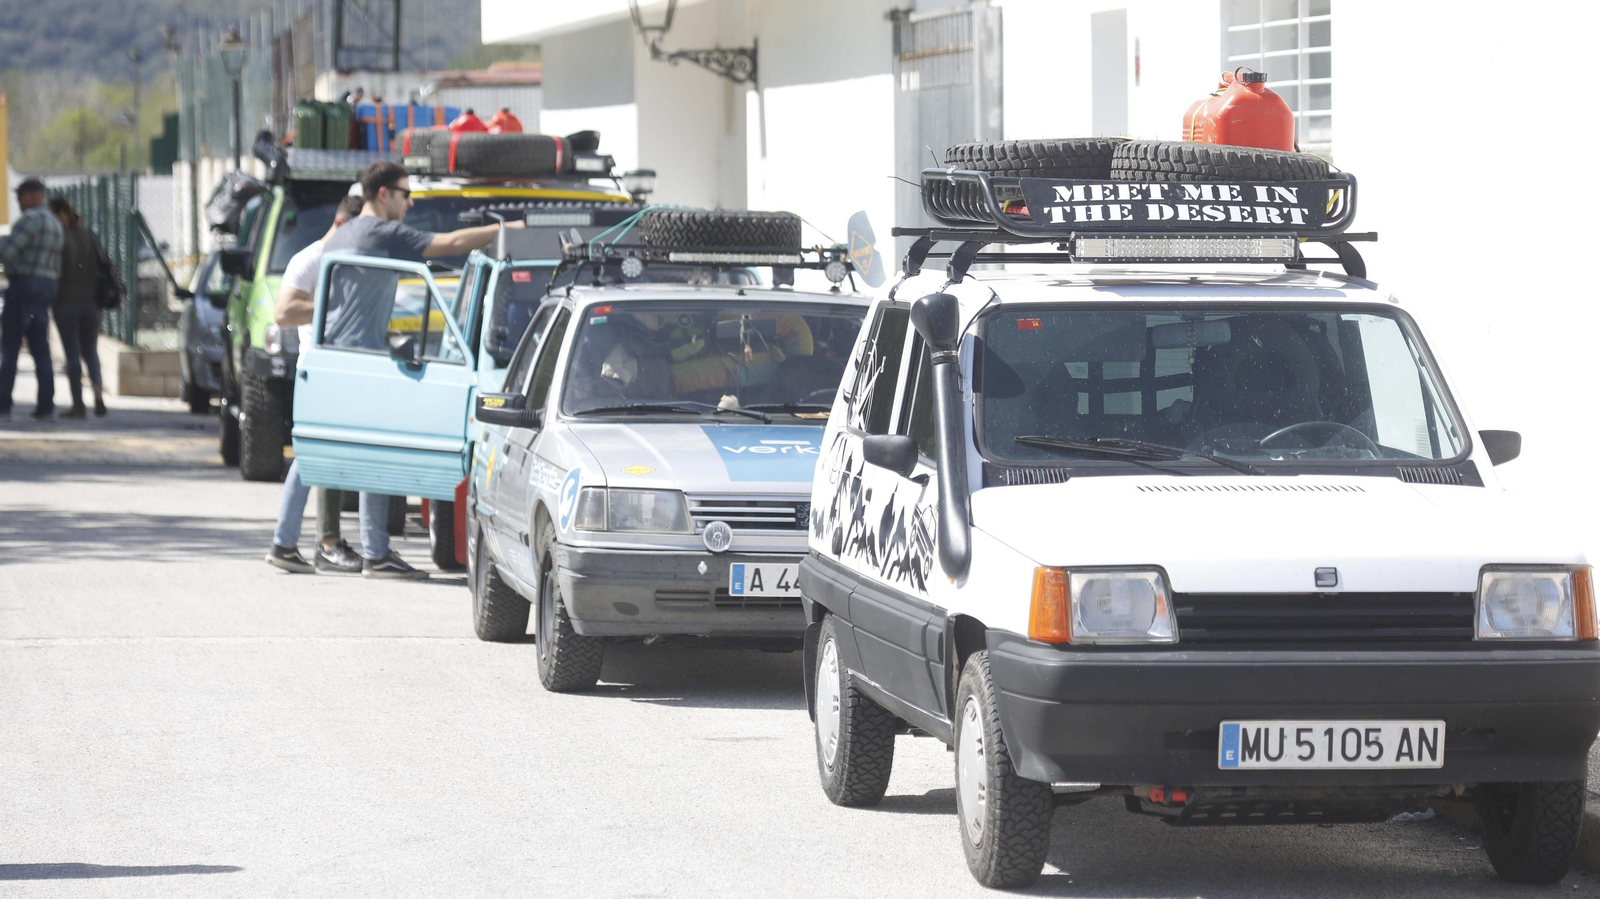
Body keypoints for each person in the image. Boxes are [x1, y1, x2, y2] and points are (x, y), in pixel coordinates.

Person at [309, 162, 515, 578]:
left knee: (326, 453)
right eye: (406, 194)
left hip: (334, 354)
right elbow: (451, 242)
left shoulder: (345, 233)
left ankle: (319, 545)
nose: (411, 203)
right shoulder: (382, 232)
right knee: (359, 455)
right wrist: (507, 230)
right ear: (383, 194)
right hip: (359, 362)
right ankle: (367, 553)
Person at [265, 195, 415, 578]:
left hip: (350, 371)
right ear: (341, 224)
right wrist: (339, 309)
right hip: (323, 370)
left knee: (336, 455)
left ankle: (294, 544)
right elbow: (283, 313)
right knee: (333, 455)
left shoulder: (354, 258)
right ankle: (367, 551)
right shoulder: (312, 259)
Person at [0, 177, 64, 419]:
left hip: (24, 285)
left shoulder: (29, 220)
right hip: (47, 287)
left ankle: (3, 404)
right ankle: (46, 406)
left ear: (32, 195)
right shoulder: (55, 222)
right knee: (40, 349)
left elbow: (8, 252)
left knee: (10, 347)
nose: (19, 202)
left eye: (21, 196)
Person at [49, 197, 107, 418]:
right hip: (92, 303)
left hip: (66, 303)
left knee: (72, 354)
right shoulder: (90, 235)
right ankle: (98, 394)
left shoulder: (58, 238)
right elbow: (104, 263)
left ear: (61, 215)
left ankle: (78, 403)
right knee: (91, 350)